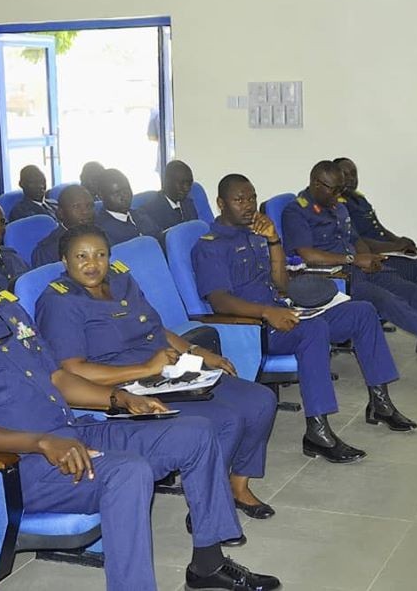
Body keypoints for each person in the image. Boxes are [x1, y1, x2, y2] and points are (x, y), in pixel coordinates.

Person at [0, 252, 281, 591]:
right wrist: (41, 443)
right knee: (127, 472)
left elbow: (58, 379)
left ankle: (208, 565)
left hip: (74, 430)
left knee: (195, 431)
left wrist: (120, 398)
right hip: (19, 465)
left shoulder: (7, 314)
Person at [35, 224, 278, 522]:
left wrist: (197, 352)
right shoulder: (59, 301)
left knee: (261, 400)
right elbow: (72, 371)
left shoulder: (121, 279)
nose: (92, 264)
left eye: (100, 255)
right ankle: (205, 507)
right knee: (226, 419)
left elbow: (155, 329)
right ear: (64, 261)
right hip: (129, 387)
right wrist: (147, 368)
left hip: (166, 371)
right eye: (81, 256)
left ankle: (236, 486)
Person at [194, 174, 416, 464]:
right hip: (253, 327)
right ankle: (317, 431)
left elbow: (283, 284)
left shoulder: (256, 233)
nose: (248, 206)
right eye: (239, 200)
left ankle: (380, 402)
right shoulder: (209, 245)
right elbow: (219, 300)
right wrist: (266, 312)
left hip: (283, 313)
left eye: (251, 198)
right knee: (314, 330)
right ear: (221, 204)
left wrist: (273, 241)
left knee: (361, 311)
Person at [282, 161, 417, 382]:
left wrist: (367, 257)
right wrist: (354, 259)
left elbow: (355, 239)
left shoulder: (338, 206)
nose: (340, 194)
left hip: (358, 268)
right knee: (386, 299)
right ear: (316, 183)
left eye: (341, 189)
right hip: (334, 278)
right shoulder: (296, 211)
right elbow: (307, 255)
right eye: (334, 189)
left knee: (411, 291)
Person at [335, 156, 417, 334]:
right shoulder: (338, 205)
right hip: (377, 256)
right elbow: (361, 242)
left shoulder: (359, 199)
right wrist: (395, 247)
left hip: (389, 249)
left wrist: (400, 241)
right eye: (346, 174)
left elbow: (379, 228)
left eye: (354, 174)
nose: (352, 178)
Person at [32, 185, 95, 267]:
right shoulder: (48, 250)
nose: (85, 212)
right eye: (76, 206)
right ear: (61, 213)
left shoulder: (100, 236)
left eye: (89, 206)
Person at [95, 169, 161, 246]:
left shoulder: (140, 214)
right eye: (117, 193)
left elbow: (160, 237)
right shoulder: (101, 231)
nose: (124, 196)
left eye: (126, 190)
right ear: (101, 196)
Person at [139, 159, 199, 232]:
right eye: (182, 183)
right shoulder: (149, 212)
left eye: (189, 184)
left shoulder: (189, 204)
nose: (186, 188)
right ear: (166, 181)